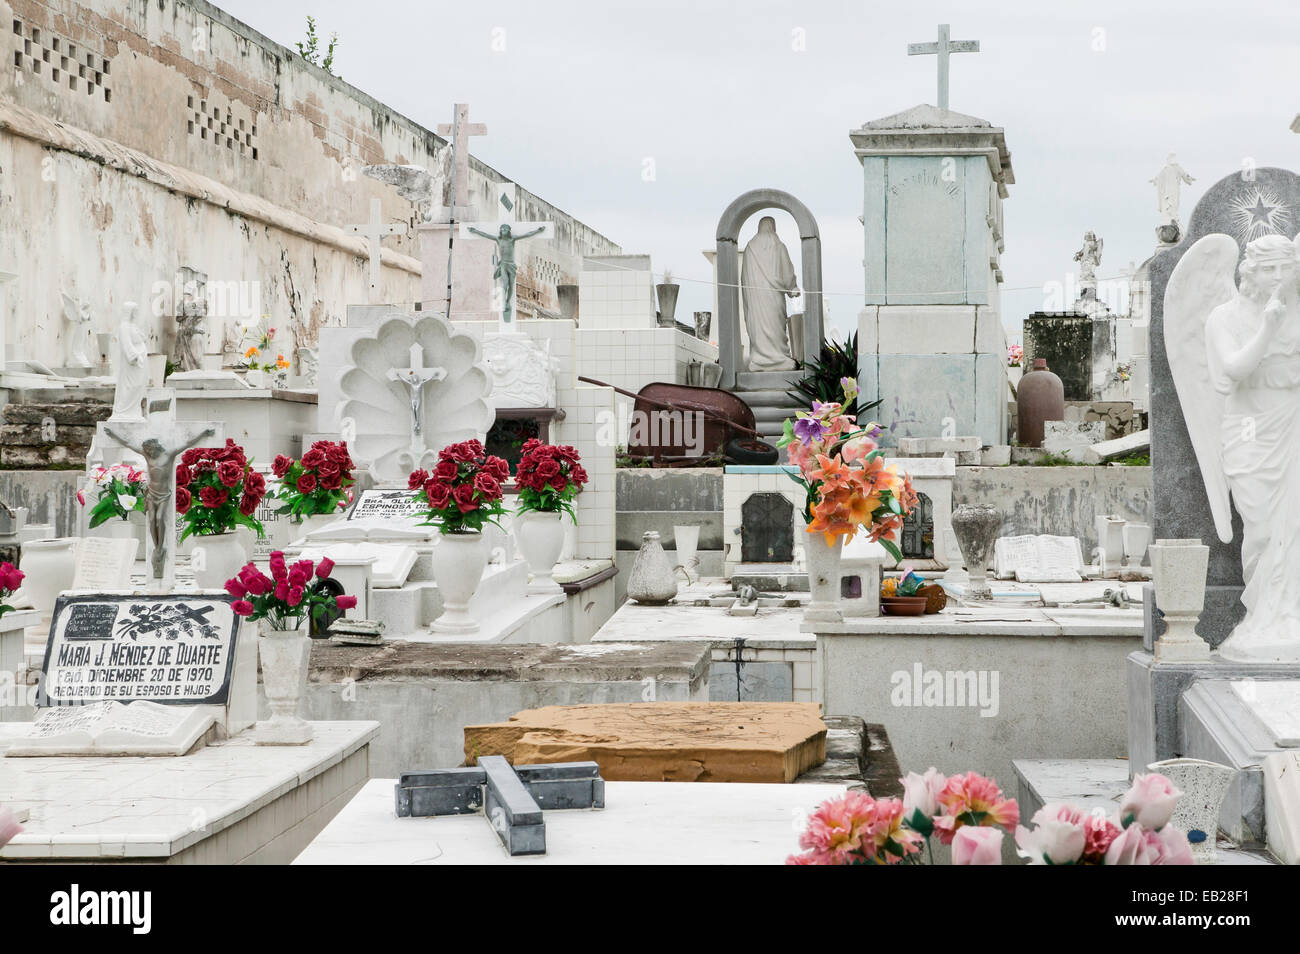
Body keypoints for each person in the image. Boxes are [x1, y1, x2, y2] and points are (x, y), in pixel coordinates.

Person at [740, 216, 801, 371]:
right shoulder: (778, 245)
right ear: (773, 228)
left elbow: (744, 277)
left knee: (760, 325)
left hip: (755, 299)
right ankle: (778, 357)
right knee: (775, 324)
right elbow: (787, 272)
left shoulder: (750, 248)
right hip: (773, 297)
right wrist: (792, 287)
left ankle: (759, 359)